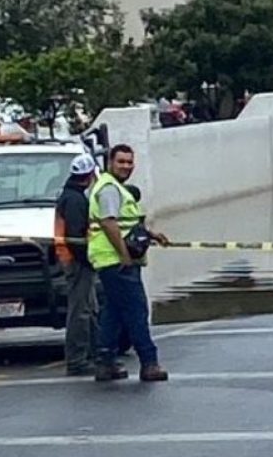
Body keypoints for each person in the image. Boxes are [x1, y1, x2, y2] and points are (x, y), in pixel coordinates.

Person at [88, 144, 170, 383]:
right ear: (110, 163)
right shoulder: (109, 189)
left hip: (112, 260)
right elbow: (109, 223)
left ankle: (105, 363)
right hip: (117, 261)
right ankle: (149, 363)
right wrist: (124, 254)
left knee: (114, 312)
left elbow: (126, 223)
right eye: (121, 162)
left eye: (129, 162)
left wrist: (152, 234)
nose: (126, 166)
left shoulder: (116, 188)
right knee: (136, 311)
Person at [54, 154, 99, 376]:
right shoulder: (75, 200)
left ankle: (95, 352)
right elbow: (76, 236)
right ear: (90, 175)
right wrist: (90, 260)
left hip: (73, 259)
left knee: (89, 308)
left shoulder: (70, 196)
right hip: (76, 261)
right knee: (80, 311)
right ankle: (77, 360)